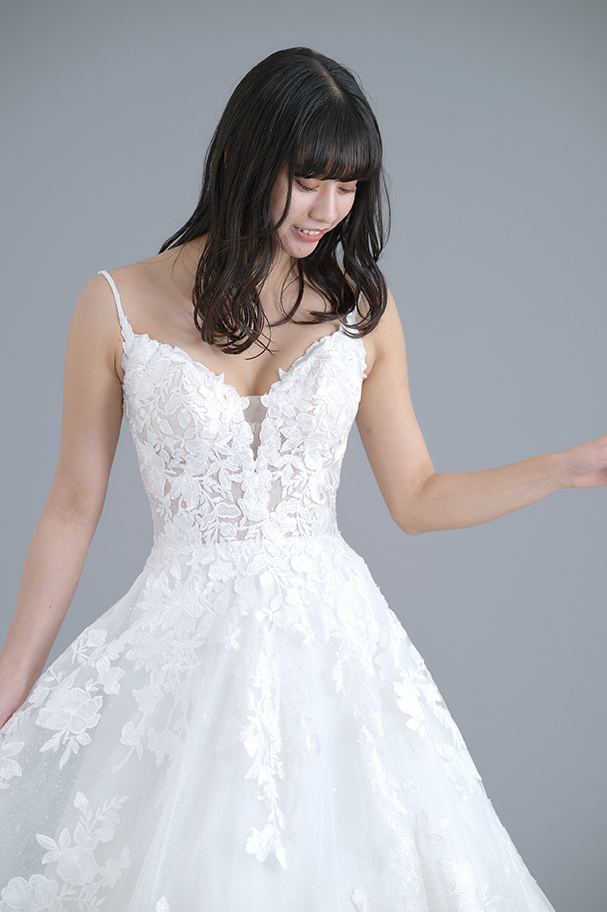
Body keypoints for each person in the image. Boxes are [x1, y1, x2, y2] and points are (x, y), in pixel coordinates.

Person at [0, 46, 604, 912]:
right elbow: (71, 507)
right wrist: (12, 683)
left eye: (347, 187)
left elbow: (416, 496)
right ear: (248, 160)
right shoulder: (116, 304)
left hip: (333, 658)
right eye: (307, 180)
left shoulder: (362, 309)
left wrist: (568, 467)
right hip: (180, 657)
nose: (328, 210)